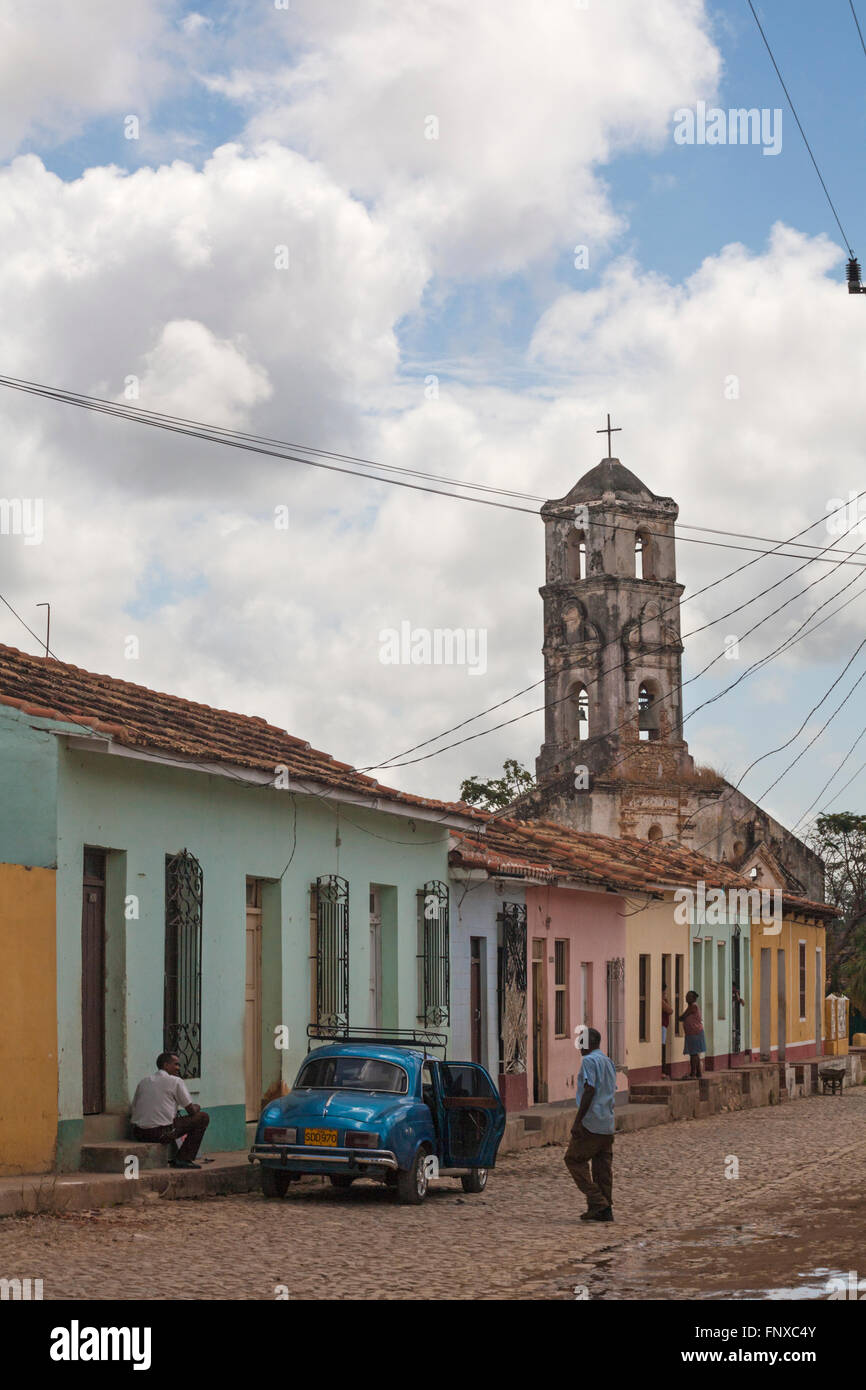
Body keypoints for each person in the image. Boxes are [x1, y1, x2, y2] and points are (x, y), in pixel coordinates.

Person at [563, 1026, 617, 1223]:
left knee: (573, 1159)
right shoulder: (608, 1061)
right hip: (607, 1122)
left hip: (592, 1122)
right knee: (603, 1168)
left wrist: (578, 1121)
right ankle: (605, 1210)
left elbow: (590, 1089)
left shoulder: (589, 1061)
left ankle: (597, 1200)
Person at [130, 1052, 210, 1169]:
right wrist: (197, 1106)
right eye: (176, 1064)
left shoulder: (144, 1081)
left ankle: (178, 1157)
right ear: (166, 1065)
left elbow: (134, 1106)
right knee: (203, 1117)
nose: (178, 1068)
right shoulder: (175, 1081)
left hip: (138, 1133)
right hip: (160, 1133)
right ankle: (183, 1159)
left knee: (172, 1121)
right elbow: (191, 1111)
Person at [679, 990, 706, 1079]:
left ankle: (693, 1073)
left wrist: (679, 1017)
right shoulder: (691, 1006)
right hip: (693, 1033)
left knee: (693, 1054)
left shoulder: (693, 1007)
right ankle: (698, 1073)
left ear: (693, 998)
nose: (686, 997)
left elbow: (683, 1017)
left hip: (695, 1033)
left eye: (689, 996)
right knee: (695, 1054)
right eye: (686, 996)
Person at [661, 988, 673, 1075]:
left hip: (664, 1026)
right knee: (662, 1047)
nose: (665, 995)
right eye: (664, 993)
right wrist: (665, 1000)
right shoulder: (661, 1001)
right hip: (662, 1027)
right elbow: (670, 1010)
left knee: (663, 1046)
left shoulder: (663, 1001)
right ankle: (663, 1070)